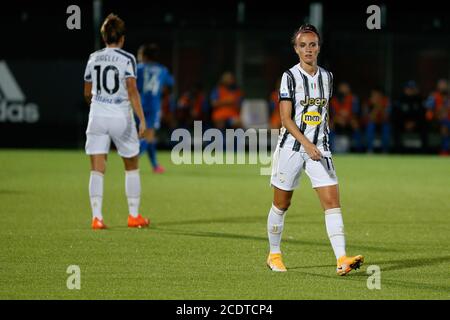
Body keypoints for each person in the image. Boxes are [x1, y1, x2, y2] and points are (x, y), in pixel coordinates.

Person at [267, 24, 363, 275]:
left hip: (319, 149)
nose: (308, 49)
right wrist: (306, 144)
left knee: (332, 202)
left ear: (319, 47)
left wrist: (320, 141)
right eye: (303, 45)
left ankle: (342, 258)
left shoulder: (327, 77)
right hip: (292, 148)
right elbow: (285, 119)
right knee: (281, 204)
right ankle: (274, 254)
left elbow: (324, 113)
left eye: (312, 44)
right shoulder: (289, 77)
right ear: (296, 49)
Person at [83, 14, 150, 229]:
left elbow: (87, 92)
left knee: (97, 168)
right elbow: (132, 90)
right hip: (121, 117)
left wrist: (99, 105)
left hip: (98, 116)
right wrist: (141, 119)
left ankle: (97, 218)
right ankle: (133, 215)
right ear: (121, 38)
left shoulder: (93, 58)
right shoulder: (127, 58)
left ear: (104, 37)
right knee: (131, 165)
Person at [136, 43, 174, 173]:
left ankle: (155, 165)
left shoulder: (138, 68)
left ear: (145, 56)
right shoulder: (162, 70)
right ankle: (134, 159)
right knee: (149, 136)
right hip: (153, 105)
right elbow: (170, 83)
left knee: (144, 136)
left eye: (140, 55)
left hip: (138, 105)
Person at [392, 80, 427, 153]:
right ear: (405, 89)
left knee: (424, 126)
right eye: (409, 88)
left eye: (412, 89)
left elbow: (422, 115)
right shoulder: (400, 100)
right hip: (403, 124)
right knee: (395, 127)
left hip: (416, 124)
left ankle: (424, 152)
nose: (410, 91)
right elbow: (396, 115)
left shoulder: (419, 100)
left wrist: (414, 123)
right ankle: (398, 151)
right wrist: (404, 124)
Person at [329, 82, 362, 152]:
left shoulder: (353, 99)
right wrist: (337, 119)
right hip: (337, 121)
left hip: (349, 120)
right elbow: (331, 114)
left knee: (355, 124)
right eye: (341, 87)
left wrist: (348, 119)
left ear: (348, 89)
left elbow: (356, 113)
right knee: (330, 125)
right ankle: (330, 149)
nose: (343, 89)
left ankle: (359, 150)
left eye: (345, 87)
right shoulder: (334, 99)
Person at [424, 79, 450, 156]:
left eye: (444, 85)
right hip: (436, 121)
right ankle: (444, 151)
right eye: (441, 85)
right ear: (438, 87)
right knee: (445, 127)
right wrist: (438, 112)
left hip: (448, 121)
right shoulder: (433, 96)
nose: (443, 87)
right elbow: (428, 111)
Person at [363, 87, 391, 153]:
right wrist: (376, 107)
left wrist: (379, 105)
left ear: (381, 95)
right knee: (370, 127)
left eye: (377, 95)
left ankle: (385, 150)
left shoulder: (386, 101)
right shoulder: (367, 102)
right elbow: (370, 118)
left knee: (386, 128)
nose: (375, 97)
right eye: (373, 95)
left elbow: (386, 117)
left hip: (383, 122)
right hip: (372, 123)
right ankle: (370, 149)